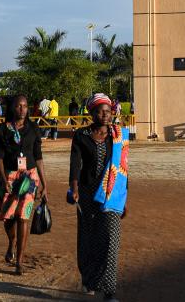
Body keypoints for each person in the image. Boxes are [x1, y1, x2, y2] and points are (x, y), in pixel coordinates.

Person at [69, 93, 129, 301]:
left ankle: (109, 290)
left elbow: (123, 168)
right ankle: (89, 279)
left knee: (111, 239)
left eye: (108, 111)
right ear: (92, 113)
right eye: (100, 111)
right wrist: (74, 187)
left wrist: (124, 198)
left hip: (112, 195)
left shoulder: (118, 136)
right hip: (87, 194)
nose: (105, 115)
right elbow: (76, 164)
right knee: (88, 237)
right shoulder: (82, 135)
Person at [0, 94, 47, 276]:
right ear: (12, 108)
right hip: (9, 176)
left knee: (24, 217)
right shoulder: (2, 130)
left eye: (24, 106)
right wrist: (2, 178)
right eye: (18, 106)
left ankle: (20, 261)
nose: (22, 109)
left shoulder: (33, 128)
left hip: (29, 177)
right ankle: (11, 243)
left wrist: (44, 183)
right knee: (9, 218)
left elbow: (38, 157)